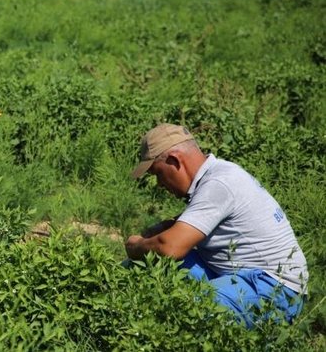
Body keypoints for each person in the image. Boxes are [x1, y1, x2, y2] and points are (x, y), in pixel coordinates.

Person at [125, 123, 308, 328]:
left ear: (174, 160)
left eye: (158, 173)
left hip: (273, 289)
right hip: (240, 277)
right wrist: (160, 231)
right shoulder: (218, 175)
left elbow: (169, 248)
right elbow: (185, 226)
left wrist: (135, 245)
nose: (159, 184)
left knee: (189, 309)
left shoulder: (219, 183)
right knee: (141, 268)